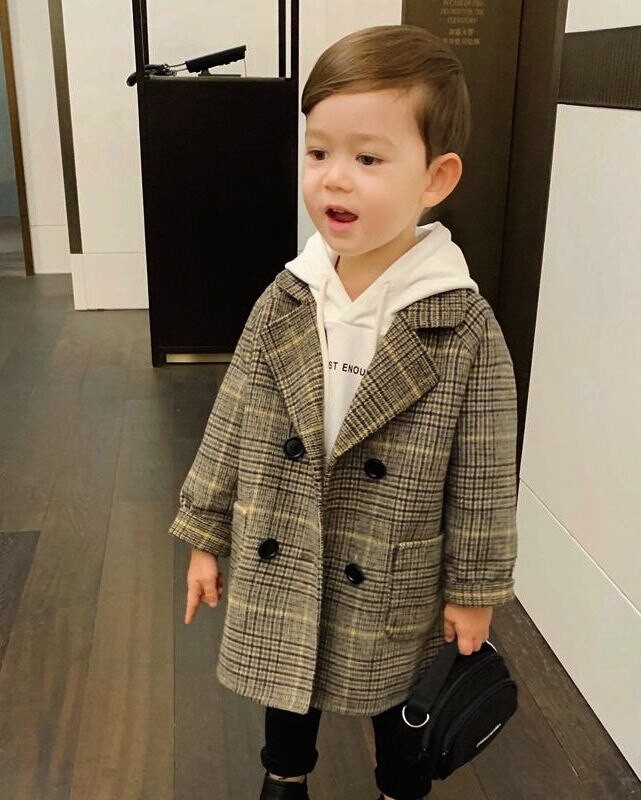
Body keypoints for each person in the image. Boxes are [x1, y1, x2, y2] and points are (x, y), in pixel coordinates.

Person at [169, 24, 518, 800]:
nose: (334, 180)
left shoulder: (461, 325)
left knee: (396, 700)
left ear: (435, 178)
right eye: (319, 152)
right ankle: (284, 775)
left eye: (368, 159)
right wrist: (206, 534)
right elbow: (231, 421)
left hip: (390, 565)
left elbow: (486, 476)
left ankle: (400, 785)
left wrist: (474, 589)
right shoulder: (287, 298)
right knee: (288, 680)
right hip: (286, 540)